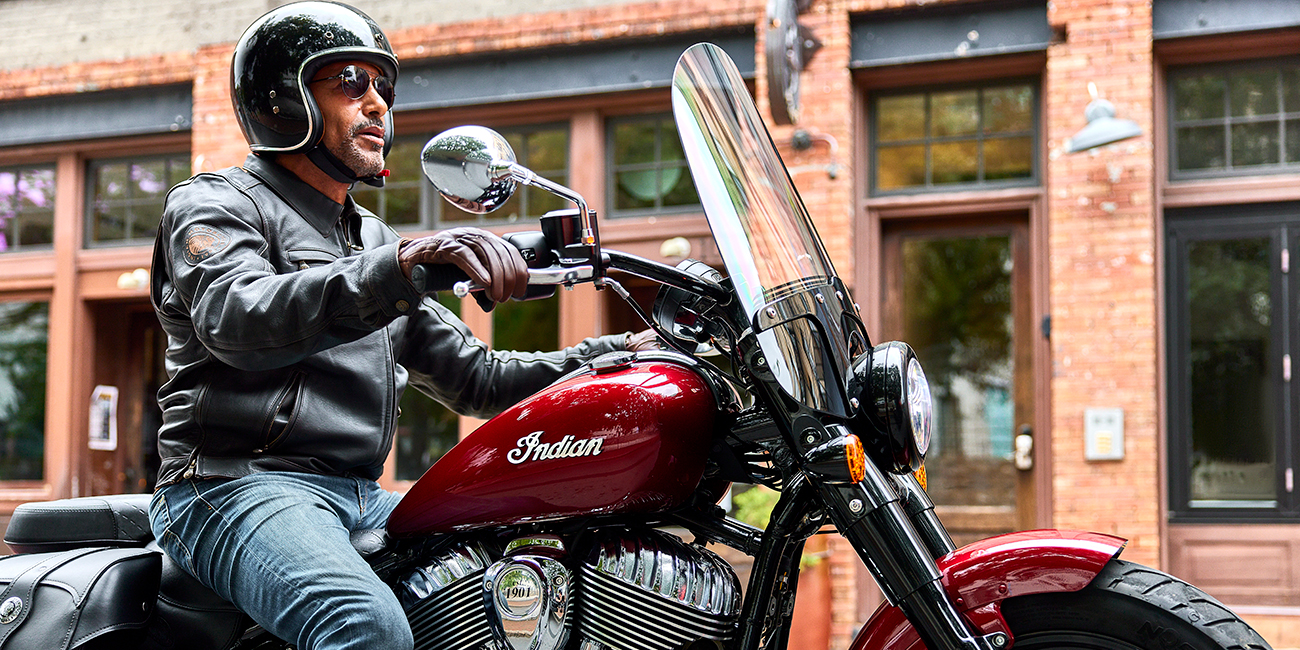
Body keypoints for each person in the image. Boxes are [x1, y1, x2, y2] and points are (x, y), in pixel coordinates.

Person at [147, 3, 653, 649]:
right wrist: (403, 267)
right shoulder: (216, 203)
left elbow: (478, 378)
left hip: (358, 493)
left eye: (383, 87)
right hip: (231, 485)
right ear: (283, 100)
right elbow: (238, 318)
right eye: (350, 83)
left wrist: (618, 355)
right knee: (363, 626)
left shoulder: (373, 239)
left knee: (508, 590)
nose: (378, 104)